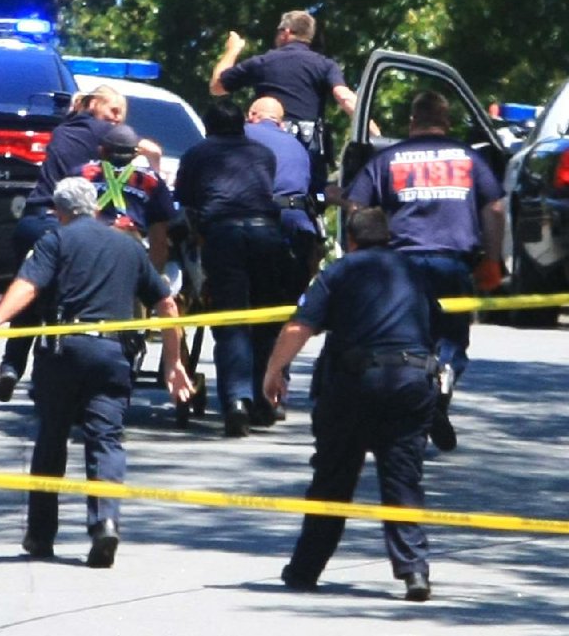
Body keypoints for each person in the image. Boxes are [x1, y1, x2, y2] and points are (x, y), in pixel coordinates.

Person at [0, 177, 193, 567]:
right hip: (112, 353)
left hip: (64, 352)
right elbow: (167, 303)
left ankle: (41, 535)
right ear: (95, 205)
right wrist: (173, 362)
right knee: (106, 439)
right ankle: (105, 523)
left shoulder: (54, 241)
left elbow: (28, 286)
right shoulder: (128, 246)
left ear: (58, 212)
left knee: (50, 439)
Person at [263, 207, 438, 602]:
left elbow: (298, 326)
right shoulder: (412, 271)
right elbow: (436, 329)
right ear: (388, 238)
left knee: (333, 476)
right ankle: (414, 571)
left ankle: (305, 570)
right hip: (411, 382)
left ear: (351, 240)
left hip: (354, 385)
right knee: (403, 478)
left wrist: (274, 370)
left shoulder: (340, 270)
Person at [338, 90, 506, 452]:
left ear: (412, 122)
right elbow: (494, 209)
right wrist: (492, 260)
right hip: (452, 262)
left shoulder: (388, 158)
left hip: (400, 267)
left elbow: (356, 204)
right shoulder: (469, 159)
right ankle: (440, 385)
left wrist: (359, 251)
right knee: (450, 337)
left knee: (406, 339)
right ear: (446, 123)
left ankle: (415, 403)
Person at [0, 85, 128, 403]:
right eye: (114, 110)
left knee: (31, 292)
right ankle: (51, 376)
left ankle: (11, 367)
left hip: (32, 222)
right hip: (65, 226)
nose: (118, 119)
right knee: (68, 301)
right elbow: (140, 146)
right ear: (94, 105)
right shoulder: (107, 133)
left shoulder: (64, 128)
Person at [174, 98, 287, 436]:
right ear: (242, 125)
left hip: (223, 236)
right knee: (265, 320)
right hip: (267, 233)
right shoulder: (263, 154)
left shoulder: (197, 154)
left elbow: (186, 201)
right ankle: (265, 399)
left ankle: (237, 401)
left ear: (209, 127)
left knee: (232, 321)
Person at [210, 9, 374, 195]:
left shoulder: (264, 62)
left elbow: (217, 87)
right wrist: (374, 131)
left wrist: (233, 50)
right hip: (308, 155)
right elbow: (345, 98)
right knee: (317, 197)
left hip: (265, 156)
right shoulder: (324, 65)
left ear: (286, 32)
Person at [73, 123, 175, 273]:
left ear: (102, 151)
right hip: (130, 250)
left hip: (87, 247)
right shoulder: (152, 181)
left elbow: (63, 218)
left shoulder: (81, 173)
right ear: (135, 154)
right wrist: (155, 281)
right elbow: (159, 240)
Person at [245, 96, 320, 296]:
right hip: (299, 224)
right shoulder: (299, 147)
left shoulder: (242, 134)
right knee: (290, 298)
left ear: (252, 116)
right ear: (280, 122)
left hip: (262, 223)